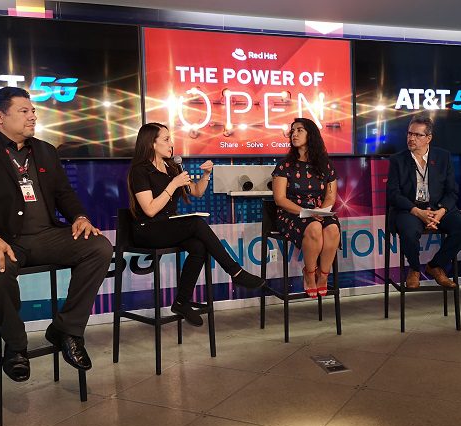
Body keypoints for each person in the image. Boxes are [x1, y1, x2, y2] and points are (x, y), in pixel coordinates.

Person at [0, 87, 113, 382]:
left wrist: (80, 217)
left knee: (99, 247)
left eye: (33, 111)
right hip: (2, 240)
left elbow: (64, 193)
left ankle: (66, 329)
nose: (32, 116)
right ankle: (15, 345)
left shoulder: (45, 150)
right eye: (24, 111)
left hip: (46, 236)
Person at [127, 122, 266, 327]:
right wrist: (173, 184)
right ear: (151, 144)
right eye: (166, 139)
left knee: (198, 246)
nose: (171, 144)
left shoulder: (171, 167)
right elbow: (149, 209)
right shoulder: (140, 171)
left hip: (167, 225)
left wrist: (206, 175)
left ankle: (181, 302)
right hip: (146, 229)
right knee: (196, 223)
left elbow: (196, 191)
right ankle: (235, 272)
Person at [386, 115, 461, 289]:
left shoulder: (443, 157)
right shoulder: (397, 160)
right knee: (408, 231)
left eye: (417, 135)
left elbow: (452, 191)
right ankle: (414, 269)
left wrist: (441, 211)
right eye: (409, 133)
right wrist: (417, 212)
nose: (411, 138)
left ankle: (435, 266)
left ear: (428, 138)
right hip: (410, 210)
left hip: (437, 209)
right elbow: (393, 194)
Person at [272, 118, 340, 298]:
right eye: (293, 131)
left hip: (319, 211)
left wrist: (321, 212)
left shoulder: (325, 164)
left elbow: (330, 196)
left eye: (299, 130)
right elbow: (280, 199)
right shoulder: (284, 165)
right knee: (314, 227)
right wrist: (305, 213)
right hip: (292, 213)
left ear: (311, 135)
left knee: (332, 229)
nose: (294, 134)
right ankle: (309, 273)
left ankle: (323, 275)